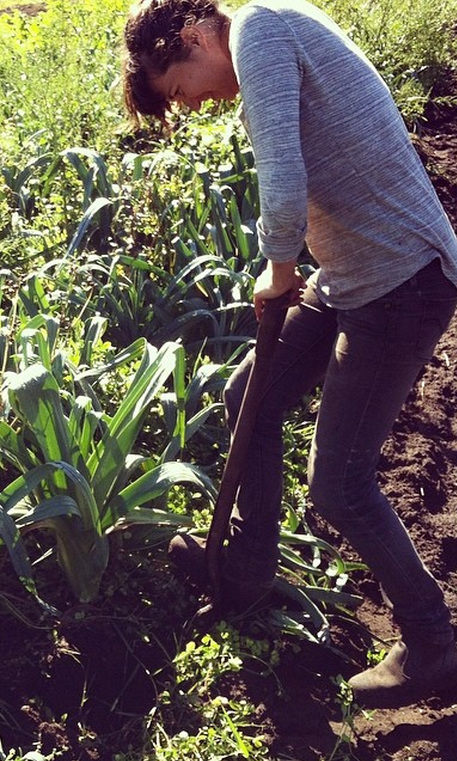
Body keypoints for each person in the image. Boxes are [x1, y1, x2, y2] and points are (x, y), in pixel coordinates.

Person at [122, 0, 457, 709]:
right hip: (351, 277)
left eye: (184, 90)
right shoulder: (271, 25)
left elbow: (282, 169)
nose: (202, 104)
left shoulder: (260, 32)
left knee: (339, 483)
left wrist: (277, 264)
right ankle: (246, 565)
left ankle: (434, 642)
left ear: (188, 38)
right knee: (249, 394)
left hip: (400, 282)